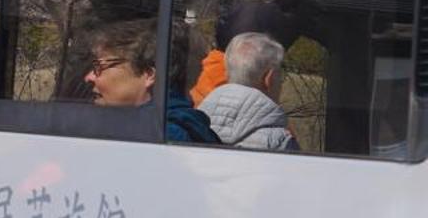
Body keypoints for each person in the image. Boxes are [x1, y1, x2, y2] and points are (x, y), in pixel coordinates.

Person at [84, 22, 219, 144]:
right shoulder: (179, 126)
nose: (89, 77)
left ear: (148, 74)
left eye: (99, 67)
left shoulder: (159, 135)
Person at [198, 32, 300, 151]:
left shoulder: (194, 125)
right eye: (280, 77)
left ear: (227, 74)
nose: (281, 83)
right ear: (269, 79)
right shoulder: (280, 143)